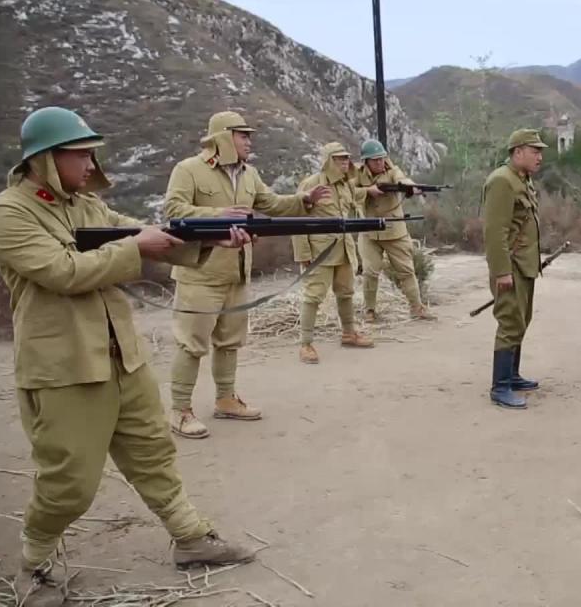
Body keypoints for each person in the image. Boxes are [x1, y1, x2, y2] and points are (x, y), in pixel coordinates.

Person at [0, 107, 256, 606]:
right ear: (47, 159)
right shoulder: (8, 212)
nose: (91, 164)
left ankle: (190, 536)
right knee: (69, 480)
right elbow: (64, 271)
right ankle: (34, 564)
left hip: (120, 357)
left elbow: (144, 236)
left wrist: (211, 237)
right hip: (65, 369)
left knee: (153, 453)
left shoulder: (87, 206)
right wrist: (137, 246)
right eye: (81, 153)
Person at [162, 111, 329, 439]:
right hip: (200, 272)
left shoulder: (249, 174)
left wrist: (304, 200)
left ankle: (226, 399)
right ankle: (180, 409)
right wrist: (217, 214)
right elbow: (174, 210)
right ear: (224, 136)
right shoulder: (188, 170)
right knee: (191, 343)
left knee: (230, 341)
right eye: (243, 135)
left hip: (237, 272)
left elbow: (272, 204)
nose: (249, 141)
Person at [482, 129, 549, 409]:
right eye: (535, 151)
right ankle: (500, 387)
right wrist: (501, 271)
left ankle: (512, 375)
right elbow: (495, 231)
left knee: (522, 319)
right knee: (510, 321)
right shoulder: (501, 181)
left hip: (524, 266)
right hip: (510, 266)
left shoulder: (522, 180)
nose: (540, 157)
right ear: (518, 151)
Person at [293, 142, 377, 364]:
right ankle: (306, 344)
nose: (345, 162)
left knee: (346, 292)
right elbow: (297, 219)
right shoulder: (312, 184)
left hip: (344, 249)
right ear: (328, 160)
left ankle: (349, 333)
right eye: (339, 158)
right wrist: (302, 253)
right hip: (320, 251)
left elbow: (355, 206)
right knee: (313, 296)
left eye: (346, 158)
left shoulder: (346, 185)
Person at [355, 138, 433, 323]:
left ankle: (417, 307)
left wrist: (411, 188)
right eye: (375, 160)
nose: (380, 163)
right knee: (370, 271)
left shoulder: (392, 170)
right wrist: (368, 191)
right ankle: (370, 311)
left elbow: (402, 180)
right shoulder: (357, 174)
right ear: (366, 161)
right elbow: (347, 190)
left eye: (382, 158)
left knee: (406, 270)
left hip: (394, 230)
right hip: (369, 231)